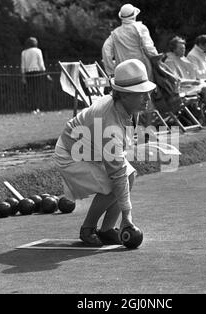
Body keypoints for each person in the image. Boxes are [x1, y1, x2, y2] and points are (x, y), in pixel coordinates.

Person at [54, 59, 156, 246]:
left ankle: (107, 229)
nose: (147, 98)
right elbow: (117, 174)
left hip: (93, 150)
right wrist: (127, 218)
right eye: (141, 94)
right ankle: (88, 229)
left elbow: (120, 158)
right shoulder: (108, 122)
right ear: (123, 95)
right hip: (71, 153)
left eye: (147, 92)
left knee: (130, 176)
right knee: (113, 185)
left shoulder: (129, 108)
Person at [164, 36, 206, 121]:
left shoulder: (182, 58)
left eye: (184, 48)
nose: (183, 50)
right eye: (180, 49)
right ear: (174, 49)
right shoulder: (170, 61)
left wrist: (195, 81)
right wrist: (193, 82)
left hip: (190, 85)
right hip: (181, 89)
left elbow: (192, 74)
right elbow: (175, 80)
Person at [102, 4, 159, 80]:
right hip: (143, 71)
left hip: (123, 74)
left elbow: (106, 50)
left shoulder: (115, 34)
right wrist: (157, 60)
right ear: (134, 16)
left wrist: (111, 71)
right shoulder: (141, 28)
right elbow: (149, 48)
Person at [21, 37, 51, 109]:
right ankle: (37, 107)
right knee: (37, 90)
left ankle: (32, 107)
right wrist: (46, 74)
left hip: (28, 73)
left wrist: (23, 77)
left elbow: (23, 65)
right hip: (37, 72)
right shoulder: (38, 51)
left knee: (30, 91)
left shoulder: (24, 52)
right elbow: (41, 64)